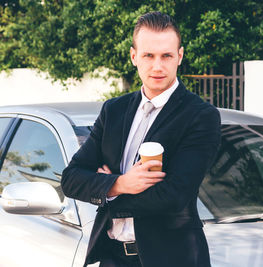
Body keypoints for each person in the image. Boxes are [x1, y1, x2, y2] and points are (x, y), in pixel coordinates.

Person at [61, 11, 221, 267]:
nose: (157, 66)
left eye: (166, 56)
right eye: (148, 55)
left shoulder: (200, 116)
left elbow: (174, 196)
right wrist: (120, 184)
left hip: (172, 259)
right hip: (112, 257)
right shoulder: (113, 110)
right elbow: (70, 179)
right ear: (134, 56)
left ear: (179, 56)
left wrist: (106, 189)